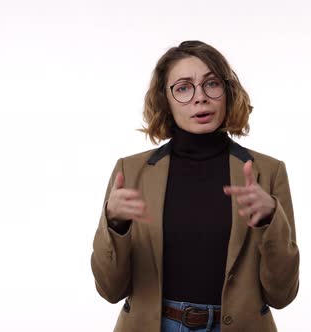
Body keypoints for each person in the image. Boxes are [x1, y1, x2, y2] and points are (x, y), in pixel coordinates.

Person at [91, 40, 299, 332]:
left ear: (227, 92)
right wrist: (114, 225)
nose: (200, 98)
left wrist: (270, 219)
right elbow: (109, 290)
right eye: (184, 87)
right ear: (166, 99)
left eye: (211, 84)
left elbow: (283, 295)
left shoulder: (268, 172)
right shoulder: (131, 171)